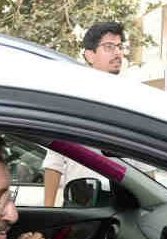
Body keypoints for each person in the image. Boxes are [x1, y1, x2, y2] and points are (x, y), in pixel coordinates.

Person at [44, 22, 154, 206]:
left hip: (124, 205)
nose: (117, 53)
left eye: (120, 47)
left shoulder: (133, 101)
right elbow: (54, 161)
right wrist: (47, 214)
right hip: (81, 205)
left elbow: (144, 160)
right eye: (109, 47)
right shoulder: (72, 100)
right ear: (89, 55)